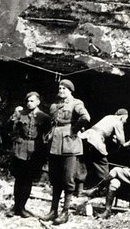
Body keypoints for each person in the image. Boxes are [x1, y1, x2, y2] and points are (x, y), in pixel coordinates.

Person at [42, 79, 90, 225]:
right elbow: (52, 123)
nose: (61, 90)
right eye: (60, 88)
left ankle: (65, 212)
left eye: (64, 88)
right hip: (54, 145)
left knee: (68, 179)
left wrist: (74, 130)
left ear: (70, 91)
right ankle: (53, 211)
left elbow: (86, 117)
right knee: (55, 178)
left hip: (69, 145)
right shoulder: (54, 106)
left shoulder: (76, 103)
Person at [8, 91, 51, 218]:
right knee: (19, 178)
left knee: (28, 179)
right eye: (28, 101)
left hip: (34, 150)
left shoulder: (44, 117)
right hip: (20, 149)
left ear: (38, 102)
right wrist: (13, 117)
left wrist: (43, 153)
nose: (29, 103)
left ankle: (22, 207)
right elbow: (10, 127)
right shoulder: (21, 114)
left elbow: (47, 136)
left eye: (32, 101)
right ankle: (16, 207)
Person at [80, 108, 128, 190]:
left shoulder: (108, 117)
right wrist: (123, 143)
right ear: (122, 117)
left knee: (83, 162)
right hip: (95, 139)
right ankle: (104, 190)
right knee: (103, 164)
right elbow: (122, 140)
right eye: (125, 119)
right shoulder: (118, 121)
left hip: (86, 136)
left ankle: (78, 190)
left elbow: (104, 131)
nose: (125, 121)